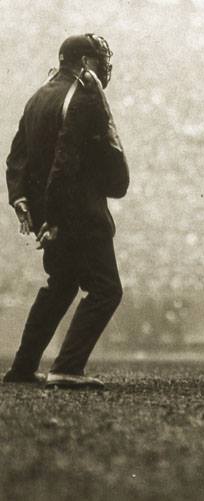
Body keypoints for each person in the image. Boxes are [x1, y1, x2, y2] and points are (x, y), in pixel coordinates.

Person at [3, 34, 129, 388]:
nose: (105, 67)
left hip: (48, 211)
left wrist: (21, 199)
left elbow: (16, 156)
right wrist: (58, 218)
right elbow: (66, 162)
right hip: (78, 213)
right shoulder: (84, 96)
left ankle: (23, 367)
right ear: (85, 61)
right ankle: (68, 367)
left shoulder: (38, 96)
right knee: (106, 289)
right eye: (100, 59)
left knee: (61, 285)